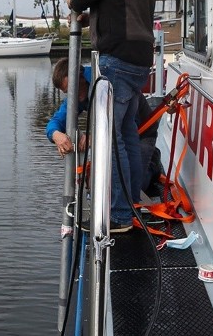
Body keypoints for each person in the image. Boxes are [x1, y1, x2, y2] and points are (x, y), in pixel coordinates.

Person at [65, 0, 157, 231]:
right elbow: (123, 5)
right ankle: (130, 206)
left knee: (113, 139)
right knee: (128, 135)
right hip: (141, 57)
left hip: (117, 56)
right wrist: (93, 18)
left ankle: (118, 216)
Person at [46, 58, 162, 229]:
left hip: (143, 132)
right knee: (119, 182)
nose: (73, 97)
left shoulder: (103, 78)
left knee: (135, 184)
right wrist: (56, 135)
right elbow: (56, 120)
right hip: (118, 135)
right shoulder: (78, 93)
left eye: (74, 90)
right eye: (67, 92)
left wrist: (93, 136)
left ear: (81, 78)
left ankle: (153, 165)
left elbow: (118, 119)